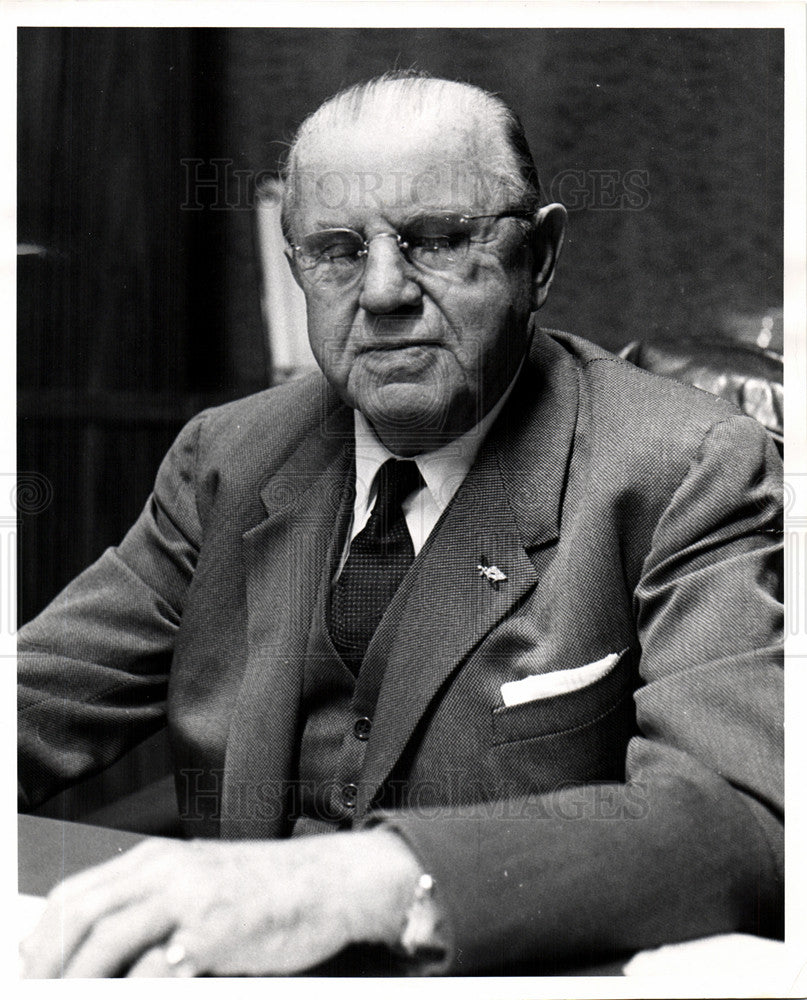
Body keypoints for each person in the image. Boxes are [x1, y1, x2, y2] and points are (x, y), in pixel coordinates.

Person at [18, 71, 783, 978]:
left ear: (538, 258)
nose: (382, 293)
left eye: (438, 240)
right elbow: (37, 697)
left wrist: (347, 882)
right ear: (296, 264)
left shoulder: (688, 466)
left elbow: (741, 820)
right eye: (338, 250)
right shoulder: (226, 456)